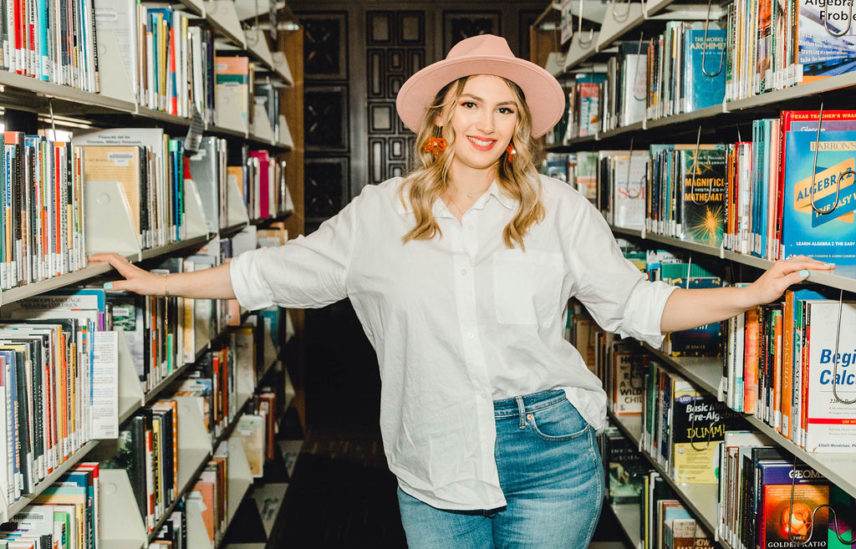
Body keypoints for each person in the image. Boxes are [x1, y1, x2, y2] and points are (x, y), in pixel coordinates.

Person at [90, 34, 833, 549]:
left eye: (505, 108)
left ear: (519, 127)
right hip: (432, 451)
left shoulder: (558, 207)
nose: (488, 122)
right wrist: (158, 279)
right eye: (472, 104)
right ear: (442, 114)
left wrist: (744, 296)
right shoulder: (382, 214)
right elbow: (267, 275)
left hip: (551, 449)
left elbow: (637, 307)